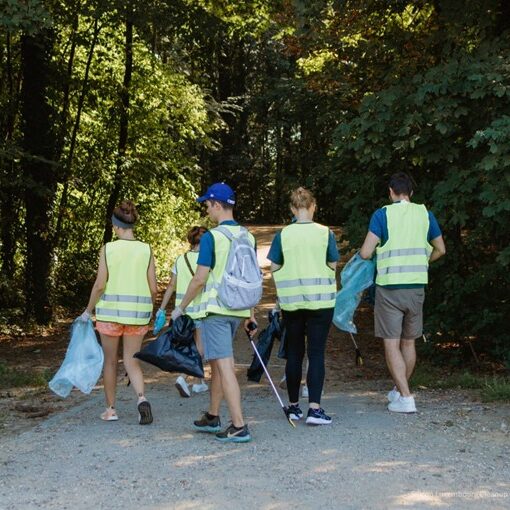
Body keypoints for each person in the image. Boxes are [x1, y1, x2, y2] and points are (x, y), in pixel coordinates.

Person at [170, 182, 257, 443]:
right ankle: (213, 414)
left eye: (207, 205)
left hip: (216, 311)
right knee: (220, 363)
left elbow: (199, 279)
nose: (206, 210)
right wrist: (250, 314)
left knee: (224, 366)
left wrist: (181, 307)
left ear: (217, 205)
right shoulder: (247, 236)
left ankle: (239, 425)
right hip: (237, 309)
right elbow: (250, 275)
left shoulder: (212, 237)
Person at [360, 172, 446, 413]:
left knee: (391, 344)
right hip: (416, 287)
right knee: (409, 343)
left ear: (390, 192)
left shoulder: (383, 215)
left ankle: (406, 397)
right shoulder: (424, 214)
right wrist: (423, 261)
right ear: (411, 192)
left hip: (389, 289)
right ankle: (399, 392)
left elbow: (366, 252)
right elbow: (441, 248)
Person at [79, 200, 157, 424]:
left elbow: (100, 284)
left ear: (116, 225)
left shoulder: (108, 249)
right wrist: (149, 309)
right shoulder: (146, 249)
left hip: (109, 316)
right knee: (132, 360)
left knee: (110, 362)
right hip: (137, 315)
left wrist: (88, 310)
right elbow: (153, 287)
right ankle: (141, 398)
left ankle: (111, 410)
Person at [268, 187, 339, 425]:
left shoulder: (283, 234)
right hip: (321, 301)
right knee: (316, 353)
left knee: (295, 354)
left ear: (292, 208)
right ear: (313, 207)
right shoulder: (324, 233)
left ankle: (294, 406)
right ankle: (315, 409)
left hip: (292, 302)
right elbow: (332, 263)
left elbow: (274, 267)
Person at [155, 226, 209, 397]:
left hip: (182, 311)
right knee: (200, 348)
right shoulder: (208, 259)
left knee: (188, 345)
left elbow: (171, 285)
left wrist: (162, 308)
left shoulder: (180, 259)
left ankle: (200, 381)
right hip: (200, 310)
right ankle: (183, 377)